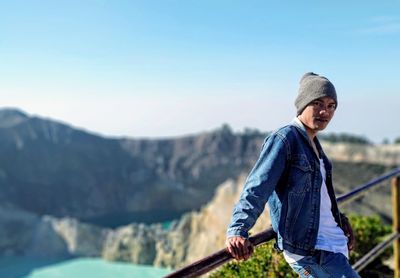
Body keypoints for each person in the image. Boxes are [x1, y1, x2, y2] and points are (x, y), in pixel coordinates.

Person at [225, 72, 359, 277]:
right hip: (312, 252)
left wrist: (340, 220)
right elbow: (256, 188)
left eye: (331, 105)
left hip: (333, 246)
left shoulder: (313, 142)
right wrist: (237, 229)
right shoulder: (284, 139)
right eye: (318, 103)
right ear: (303, 104)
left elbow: (319, 196)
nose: (325, 111)